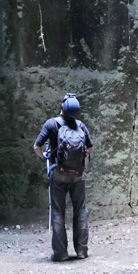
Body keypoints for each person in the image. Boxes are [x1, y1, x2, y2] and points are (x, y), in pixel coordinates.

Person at [33, 93, 94, 262]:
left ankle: (60, 253)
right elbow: (90, 150)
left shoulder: (51, 124)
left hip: (58, 172)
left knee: (58, 212)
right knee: (80, 210)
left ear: (62, 107)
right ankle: (81, 250)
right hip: (78, 174)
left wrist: (45, 157)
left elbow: (36, 146)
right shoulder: (81, 126)